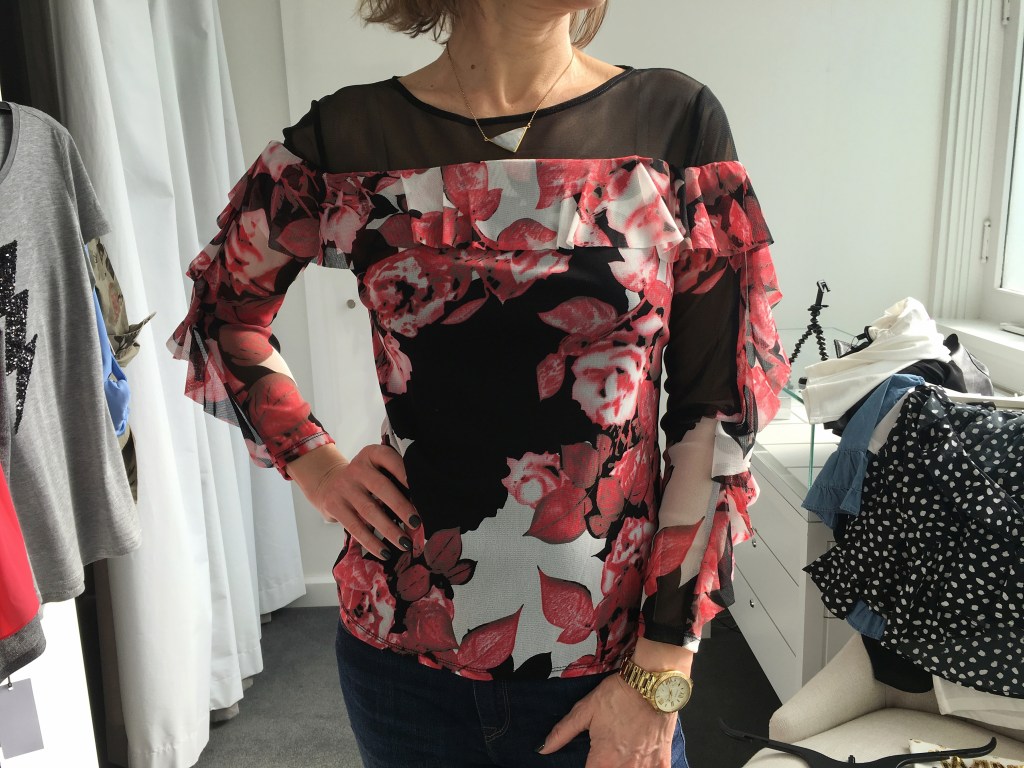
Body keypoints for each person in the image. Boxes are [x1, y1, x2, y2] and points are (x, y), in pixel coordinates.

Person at [168, 1, 791, 765]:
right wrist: (314, 462)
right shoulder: (349, 139)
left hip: (608, 665)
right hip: (402, 656)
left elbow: (715, 414)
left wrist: (663, 670)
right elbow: (223, 314)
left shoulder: (673, 125)